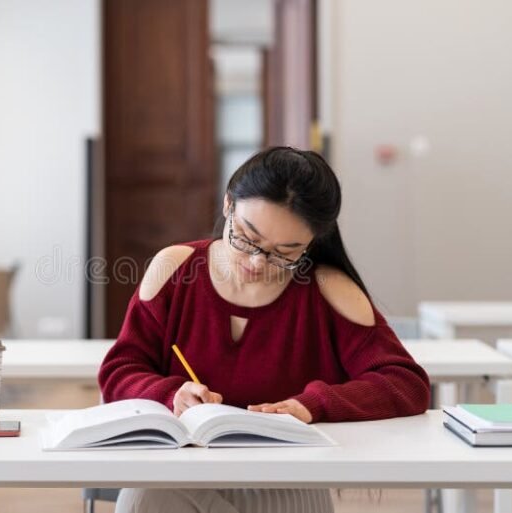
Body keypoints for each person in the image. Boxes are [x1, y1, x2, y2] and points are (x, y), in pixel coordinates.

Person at [98, 147, 431, 513]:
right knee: (145, 499)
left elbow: (405, 382)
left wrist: (311, 406)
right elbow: (119, 370)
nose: (257, 263)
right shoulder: (174, 269)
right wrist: (170, 394)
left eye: (285, 253)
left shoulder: (326, 290)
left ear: (312, 243)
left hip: (285, 482)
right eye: (246, 237)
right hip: (180, 475)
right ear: (228, 204)